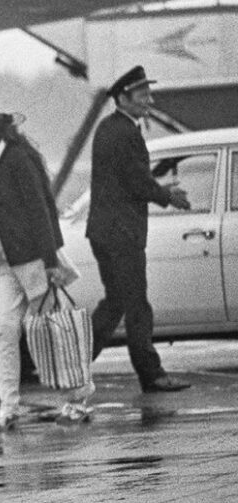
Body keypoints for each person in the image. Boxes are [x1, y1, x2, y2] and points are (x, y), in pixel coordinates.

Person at [0, 102, 92, 430]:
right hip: (6, 262)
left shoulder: (17, 159)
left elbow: (40, 210)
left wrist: (50, 261)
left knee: (54, 330)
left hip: (33, 260)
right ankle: (9, 405)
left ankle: (77, 398)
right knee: (6, 330)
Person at [86, 66, 192, 394]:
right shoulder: (124, 132)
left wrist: (157, 189)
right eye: (143, 95)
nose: (150, 101)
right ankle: (152, 375)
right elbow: (135, 180)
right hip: (121, 234)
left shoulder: (110, 128)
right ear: (123, 97)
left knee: (116, 302)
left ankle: (75, 364)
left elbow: (128, 177)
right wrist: (168, 196)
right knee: (136, 304)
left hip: (106, 231)